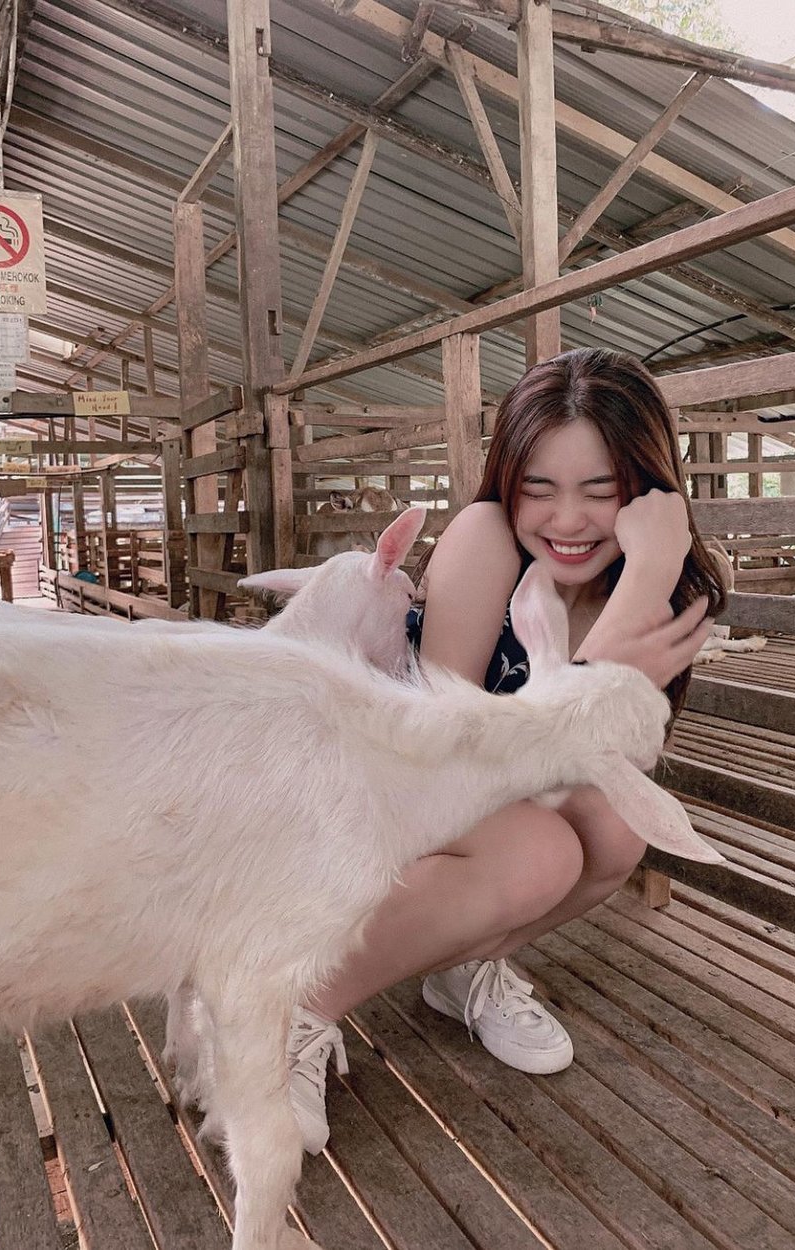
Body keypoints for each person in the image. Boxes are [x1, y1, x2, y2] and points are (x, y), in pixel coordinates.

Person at [287, 347, 726, 1153]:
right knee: (537, 853)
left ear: (648, 491)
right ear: (508, 483)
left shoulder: (657, 579)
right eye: (540, 489)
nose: (566, 521)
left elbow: (618, 757)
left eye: (601, 491)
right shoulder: (485, 538)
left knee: (615, 830)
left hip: (475, 790)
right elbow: (447, 748)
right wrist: (641, 590)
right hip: (375, 776)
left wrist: (653, 568)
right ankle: (288, 1008)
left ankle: (459, 970)